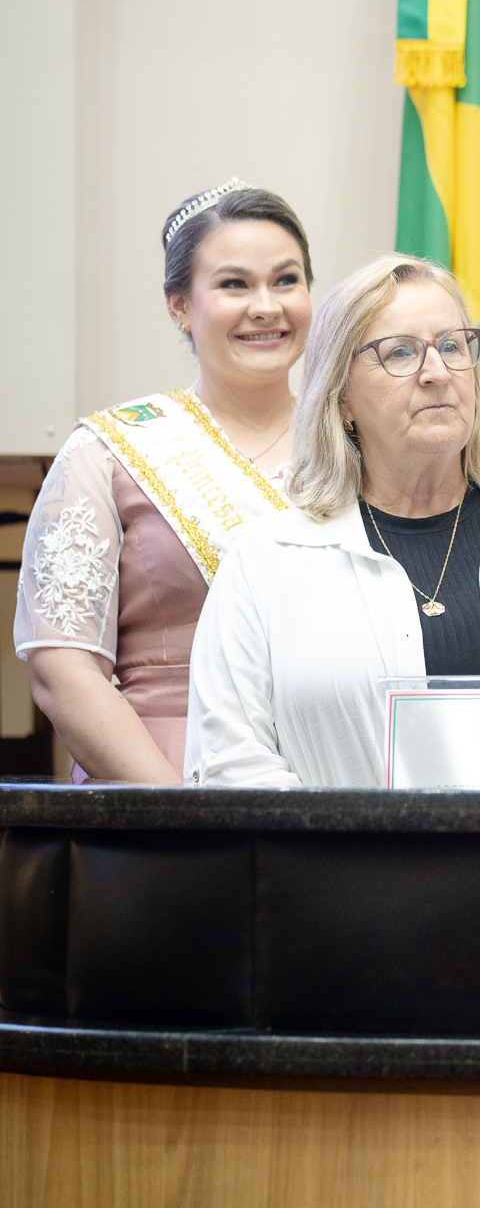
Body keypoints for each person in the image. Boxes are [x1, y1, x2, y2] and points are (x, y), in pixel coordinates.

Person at [184, 254, 480, 786]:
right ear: (341, 398)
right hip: (329, 843)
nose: (437, 373)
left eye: (452, 346)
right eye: (400, 352)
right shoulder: (266, 560)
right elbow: (228, 763)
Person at [14, 179, 314, 784]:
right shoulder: (109, 451)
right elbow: (62, 668)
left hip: (340, 777)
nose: (266, 306)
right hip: (167, 778)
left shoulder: (358, 445)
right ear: (179, 306)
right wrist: (178, 811)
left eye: (286, 280)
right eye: (234, 284)